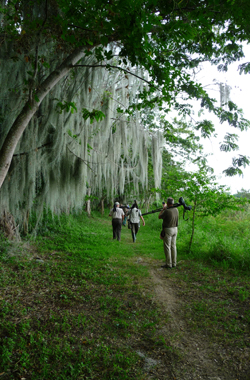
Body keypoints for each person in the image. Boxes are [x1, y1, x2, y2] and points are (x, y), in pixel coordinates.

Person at [158, 197, 179, 269]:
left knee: (167, 247)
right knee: (173, 246)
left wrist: (163, 209)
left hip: (168, 229)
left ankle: (168, 264)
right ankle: (174, 263)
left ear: (167, 203)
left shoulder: (167, 211)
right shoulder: (176, 209)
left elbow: (159, 217)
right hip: (175, 229)